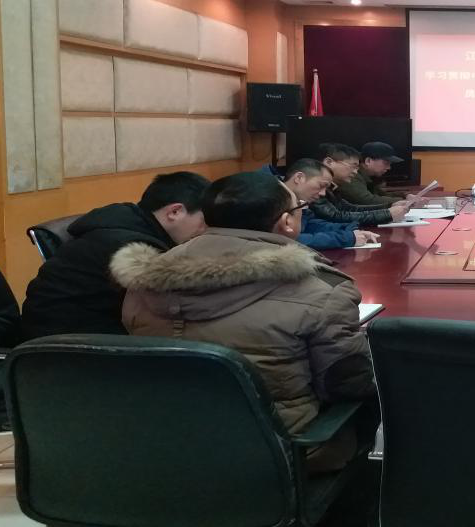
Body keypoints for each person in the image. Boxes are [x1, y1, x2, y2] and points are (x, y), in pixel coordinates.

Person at [113, 171, 376, 470]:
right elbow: (346, 385)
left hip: (164, 443)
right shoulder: (322, 290)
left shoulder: (144, 279)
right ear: (287, 222)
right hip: (282, 454)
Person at [21, 172, 210, 340]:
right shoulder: (133, 248)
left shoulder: (129, 221)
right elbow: (172, 306)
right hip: (70, 344)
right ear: (175, 212)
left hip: (77, 331)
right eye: (205, 221)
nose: (206, 230)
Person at [273, 158, 380, 250]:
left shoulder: (298, 200)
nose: (323, 193)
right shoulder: (270, 197)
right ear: (299, 178)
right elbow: (286, 239)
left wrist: (349, 229)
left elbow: (311, 224)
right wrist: (346, 238)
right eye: (321, 186)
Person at [309, 143, 409, 226]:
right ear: (329, 162)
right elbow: (335, 217)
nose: (355, 172)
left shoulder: (332, 187)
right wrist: (387, 214)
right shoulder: (312, 185)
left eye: (357, 168)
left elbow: (348, 208)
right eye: (353, 166)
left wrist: (389, 206)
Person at [337, 141, 426, 207]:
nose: (389, 168)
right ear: (368, 161)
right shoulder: (351, 175)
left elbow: (381, 195)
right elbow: (367, 200)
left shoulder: (368, 176)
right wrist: (407, 201)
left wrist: (405, 195)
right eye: (386, 163)